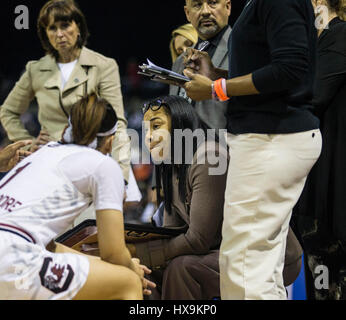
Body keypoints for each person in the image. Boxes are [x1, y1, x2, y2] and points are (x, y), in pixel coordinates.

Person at [183, 0, 321, 300]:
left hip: (272, 137)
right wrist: (218, 75)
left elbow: (291, 68)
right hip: (271, 137)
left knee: (243, 266)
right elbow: (272, 68)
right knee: (261, 266)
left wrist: (216, 89)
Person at [132, 95, 303, 300]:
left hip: (269, 256)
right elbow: (172, 233)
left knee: (182, 269)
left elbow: (198, 240)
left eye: (156, 126)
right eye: (146, 130)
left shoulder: (209, 158)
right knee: (147, 272)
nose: (148, 137)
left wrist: (139, 252)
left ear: (180, 125)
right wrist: (141, 257)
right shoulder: (170, 165)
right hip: (224, 251)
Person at [0, 94, 155, 300]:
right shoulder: (103, 164)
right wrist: (131, 268)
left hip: (15, 249)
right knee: (128, 281)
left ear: (67, 129)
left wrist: (102, 266)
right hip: (12, 258)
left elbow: (48, 247)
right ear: (110, 141)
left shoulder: (44, 152)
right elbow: (114, 254)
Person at [0, 0, 131, 182]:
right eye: (52, 28)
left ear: (78, 28)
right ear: (45, 34)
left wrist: (121, 174)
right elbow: (8, 111)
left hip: (90, 164)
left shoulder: (104, 66)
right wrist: (28, 144)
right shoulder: (35, 69)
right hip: (47, 165)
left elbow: (118, 124)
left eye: (65, 25)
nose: (60, 34)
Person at [294, 0, 346, 300]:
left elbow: (308, 95)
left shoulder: (338, 36)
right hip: (320, 201)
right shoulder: (318, 46)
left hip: (332, 207)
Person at [170, 0, 231, 131]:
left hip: (228, 146)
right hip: (182, 146)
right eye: (197, 5)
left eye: (213, 3)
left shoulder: (244, 48)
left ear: (228, 7)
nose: (205, 11)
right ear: (187, 13)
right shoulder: (179, 62)